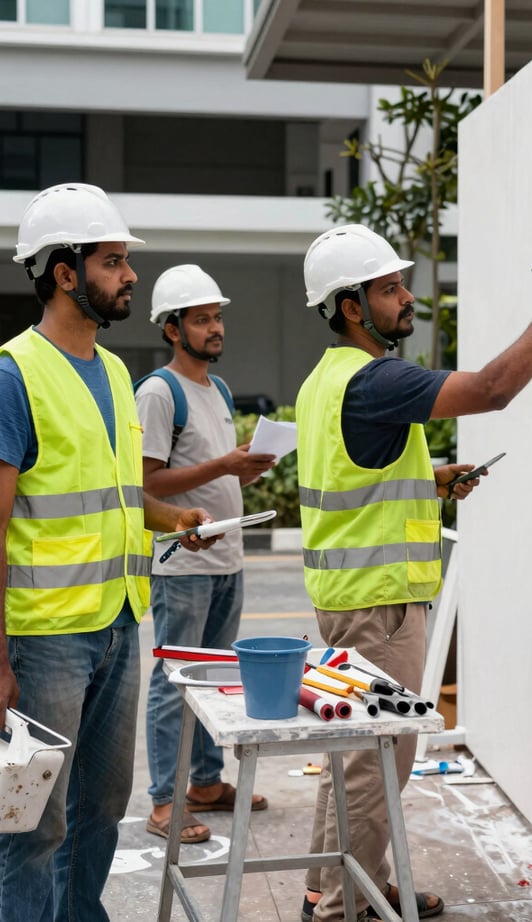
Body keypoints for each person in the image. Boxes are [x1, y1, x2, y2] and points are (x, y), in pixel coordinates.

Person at [295, 224, 532, 922]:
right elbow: (491, 390)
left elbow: (355, 474)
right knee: (380, 763)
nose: (407, 297)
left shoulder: (325, 380)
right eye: (389, 288)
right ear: (349, 307)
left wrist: (427, 480)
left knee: (355, 754)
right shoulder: (378, 379)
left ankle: (328, 886)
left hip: (345, 597)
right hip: (379, 606)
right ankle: (345, 908)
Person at [0, 182, 220, 922]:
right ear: (65, 273)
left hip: (120, 627)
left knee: (101, 807)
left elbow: (120, 498)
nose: (129, 276)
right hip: (42, 642)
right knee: (29, 823)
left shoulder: (119, 372)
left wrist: (172, 516)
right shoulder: (13, 375)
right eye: (114, 261)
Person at [135, 264, 275, 845]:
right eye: (201, 319)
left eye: (217, 316)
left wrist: (244, 466)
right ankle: (164, 801)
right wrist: (224, 465)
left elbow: (212, 471)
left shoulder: (215, 389)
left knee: (215, 679)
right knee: (175, 681)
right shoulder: (158, 393)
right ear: (172, 329)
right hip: (184, 567)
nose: (215, 327)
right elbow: (146, 485)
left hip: (227, 561)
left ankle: (206, 783)